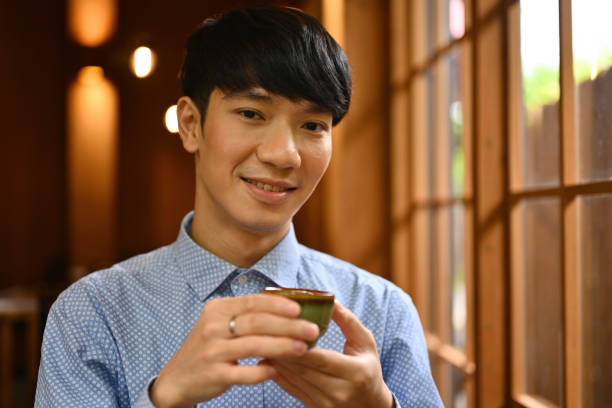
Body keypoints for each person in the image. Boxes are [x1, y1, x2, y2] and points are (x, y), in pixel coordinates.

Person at [35, 5, 442, 407]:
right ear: (191, 125)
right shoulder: (92, 314)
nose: (284, 155)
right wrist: (163, 398)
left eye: (313, 125)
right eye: (251, 113)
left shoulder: (383, 310)